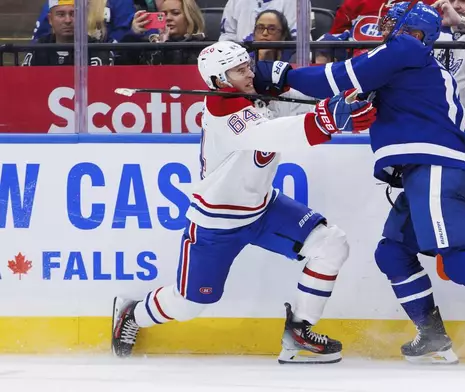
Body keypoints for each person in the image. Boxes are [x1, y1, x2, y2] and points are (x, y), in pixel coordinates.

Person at [253, 2, 465, 369]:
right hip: (423, 171)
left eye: (395, 20)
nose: (385, 25)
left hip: (434, 166)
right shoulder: (415, 67)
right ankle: (433, 339)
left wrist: (282, 74)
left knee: (457, 257)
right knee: (392, 252)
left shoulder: (404, 49)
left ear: (414, 30)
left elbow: (337, 78)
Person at [110, 41, 377, 364]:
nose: (250, 73)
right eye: (240, 70)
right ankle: (133, 314)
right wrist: (325, 121)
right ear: (219, 79)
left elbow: (292, 110)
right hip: (216, 223)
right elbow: (273, 134)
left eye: (248, 66)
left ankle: (298, 333)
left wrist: (335, 103)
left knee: (331, 244)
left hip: (262, 208)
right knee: (189, 303)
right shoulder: (224, 111)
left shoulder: (250, 97)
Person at [23, 0, 114, 66]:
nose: (68, 20)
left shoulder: (99, 51)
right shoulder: (37, 50)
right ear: (50, 19)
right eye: (61, 14)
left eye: (73, 14)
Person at [119, 0, 207, 65]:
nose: (168, 18)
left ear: (190, 17)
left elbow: (176, 72)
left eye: (175, 13)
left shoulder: (202, 46)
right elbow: (121, 66)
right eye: (163, 14)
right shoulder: (150, 45)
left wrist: (166, 45)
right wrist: (133, 34)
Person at [31, 0, 136, 43]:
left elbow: (123, 33)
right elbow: (39, 39)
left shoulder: (120, 2)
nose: (67, 20)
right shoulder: (56, 3)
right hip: (57, 65)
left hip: (105, 64)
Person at [219, 0, 307, 43]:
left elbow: (299, 45)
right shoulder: (235, 2)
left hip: (281, 62)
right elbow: (227, 39)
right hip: (241, 64)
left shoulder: (296, 2)